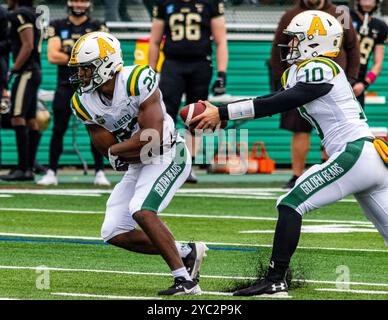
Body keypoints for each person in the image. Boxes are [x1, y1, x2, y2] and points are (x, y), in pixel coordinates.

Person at [191, 10, 388, 296]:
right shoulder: (301, 70)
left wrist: (222, 111)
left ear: (314, 41)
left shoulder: (320, 66)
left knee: (290, 202)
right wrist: (224, 117)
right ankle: (275, 278)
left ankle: (275, 278)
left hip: (353, 151)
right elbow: (272, 101)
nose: (291, 45)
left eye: (296, 39)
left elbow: (286, 100)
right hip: (367, 157)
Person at [68, 31, 208, 295]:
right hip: (139, 163)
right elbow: (105, 145)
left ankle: (185, 281)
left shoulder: (136, 79)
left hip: (168, 154)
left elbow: (152, 136)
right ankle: (186, 253)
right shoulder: (82, 102)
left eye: (87, 68)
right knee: (113, 231)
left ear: (107, 64)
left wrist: (118, 152)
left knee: (141, 209)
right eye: (80, 69)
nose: (82, 75)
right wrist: (118, 153)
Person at [270, 0, 360, 189]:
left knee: (332, 130)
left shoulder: (340, 13)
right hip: (299, 83)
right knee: (299, 131)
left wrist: (351, 78)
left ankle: (332, 171)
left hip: (330, 83)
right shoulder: (291, 14)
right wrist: (282, 81)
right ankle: (296, 174)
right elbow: (279, 46)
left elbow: (352, 46)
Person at [148, 0, 228, 183]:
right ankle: (162, 162)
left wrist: (222, 72)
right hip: (172, 64)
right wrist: (150, 72)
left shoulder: (210, 3)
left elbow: (221, 40)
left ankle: (187, 165)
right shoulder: (165, 3)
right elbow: (154, 41)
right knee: (164, 112)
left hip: (200, 63)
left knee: (197, 115)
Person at [37, 0, 111, 186]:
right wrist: (86, 60)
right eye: (76, 0)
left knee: (96, 128)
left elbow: (104, 56)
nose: (79, 4)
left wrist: (69, 57)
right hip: (65, 85)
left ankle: (100, 171)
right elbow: (52, 56)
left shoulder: (97, 26)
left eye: (83, 0)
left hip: (92, 86)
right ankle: (52, 171)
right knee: (58, 129)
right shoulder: (57, 25)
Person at [0, 0, 43, 181]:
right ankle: (29, 166)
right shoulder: (33, 13)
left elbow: (28, 44)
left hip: (26, 72)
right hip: (33, 71)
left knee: (18, 117)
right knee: (31, 120)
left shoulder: (20, 14)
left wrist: (13, 69)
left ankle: (23, 168)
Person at [351, 0, 388, 107]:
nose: (367, 2)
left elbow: (378, 64)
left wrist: (364, 84)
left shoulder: (380, 27)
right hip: (339, 78)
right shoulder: (346, 18)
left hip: (357, 84)